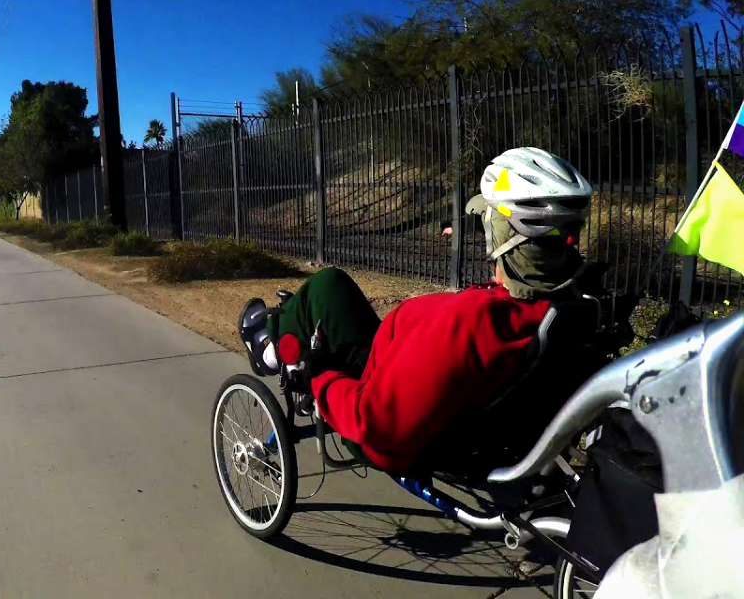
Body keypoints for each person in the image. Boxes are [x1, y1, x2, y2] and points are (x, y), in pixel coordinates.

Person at [242, 147, 592, 473]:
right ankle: (279, 343)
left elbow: (376, 422)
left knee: (328, 285)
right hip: (434, 390)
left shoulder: (475, 322)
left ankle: (271, 352)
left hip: (392, 427)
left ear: (502, 236)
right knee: (330, 291)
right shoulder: (572, 305)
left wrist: (319, 381)